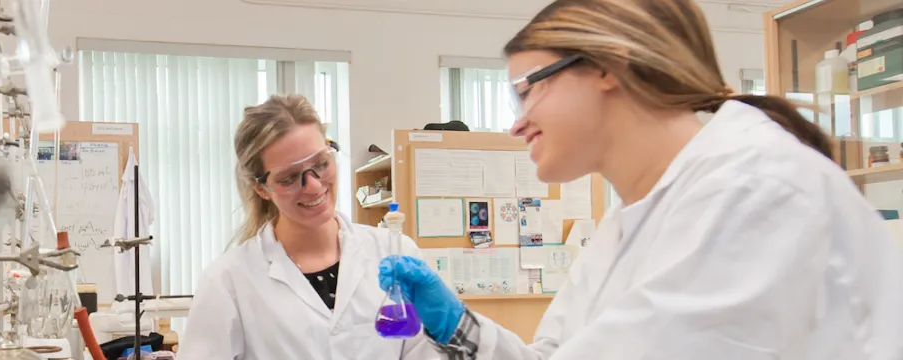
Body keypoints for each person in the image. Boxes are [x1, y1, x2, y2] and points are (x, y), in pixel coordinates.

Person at [378, 0, 903, 359]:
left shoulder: (757, 189)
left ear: (608, 66)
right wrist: (458, 330)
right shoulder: (632, 218)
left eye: (526, 90)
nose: (517, 122)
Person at [180, 94, 441, 359]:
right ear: (261, 188)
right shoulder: (228, 281)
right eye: (290, 178)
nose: (314, 186)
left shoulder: (395, 252)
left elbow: (429, 350)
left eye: (321, 164)